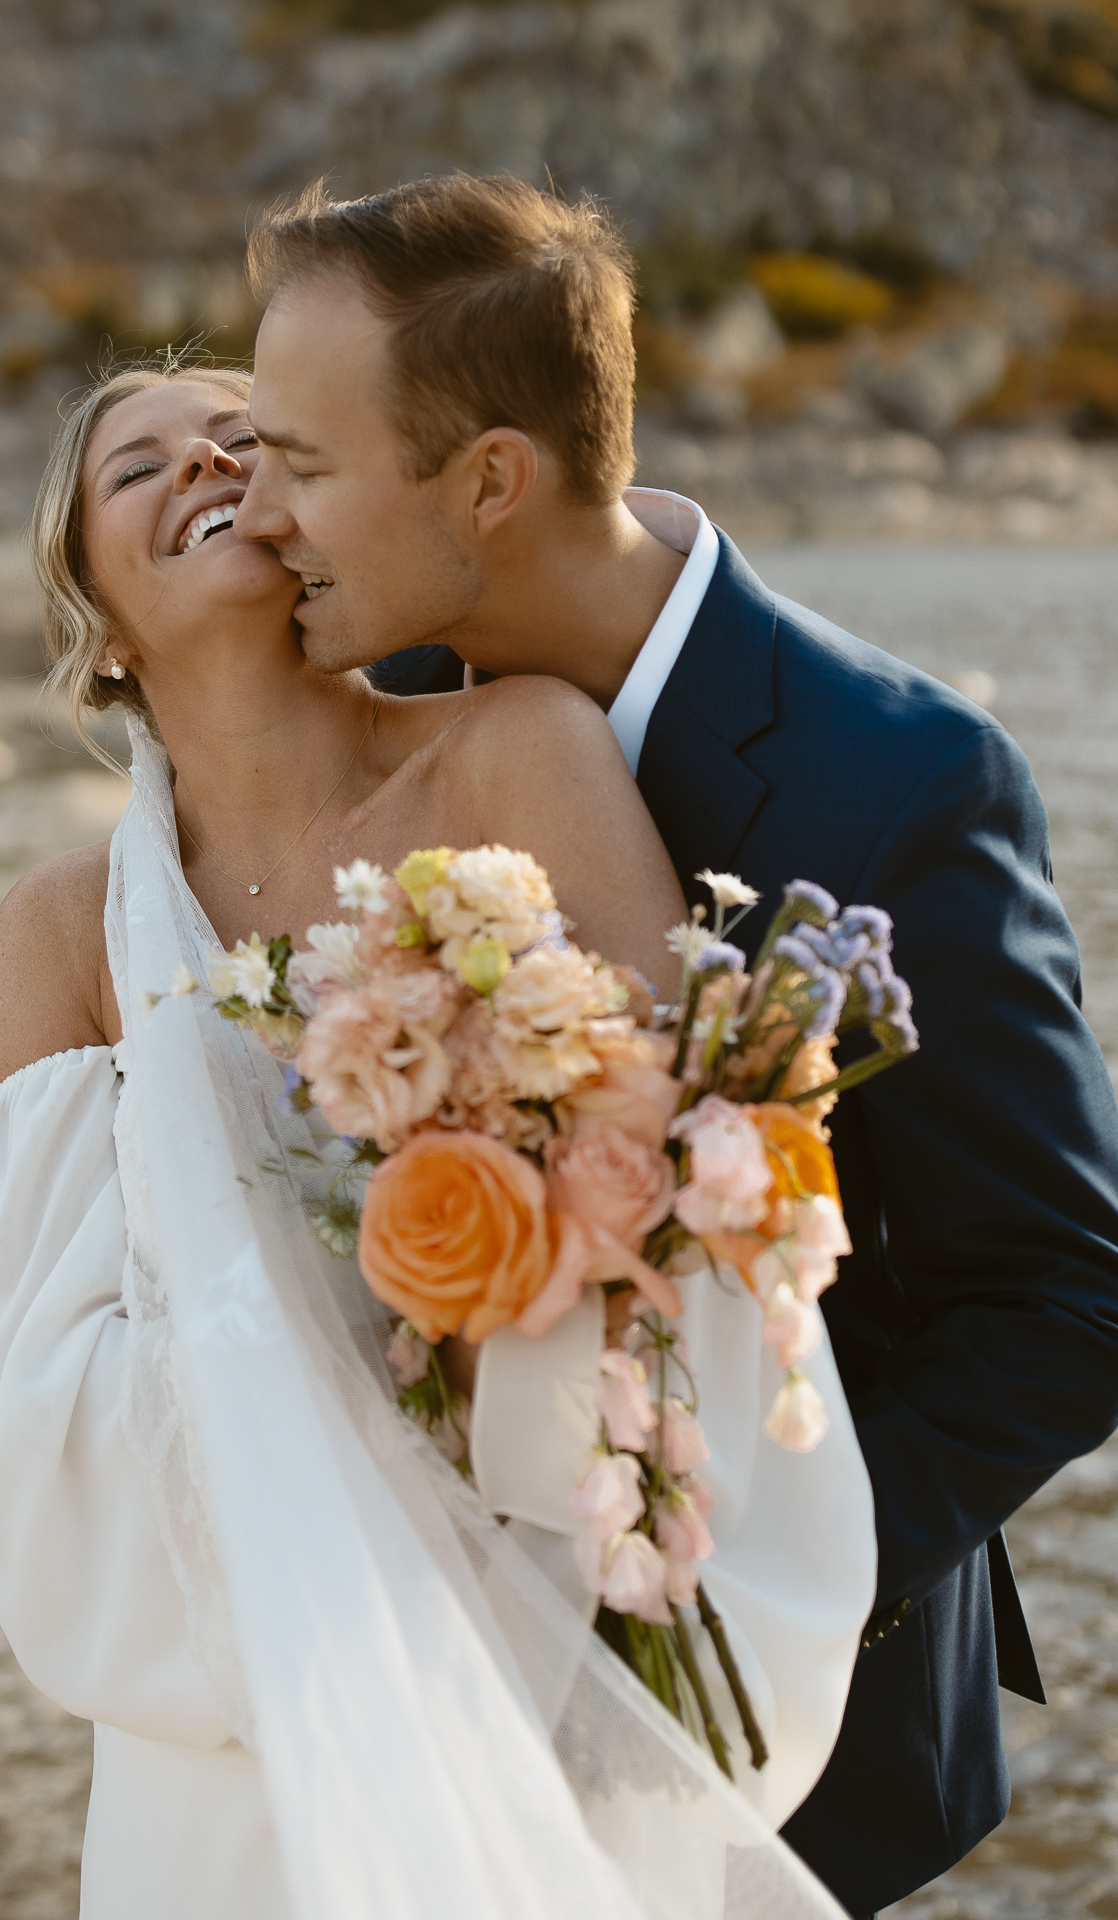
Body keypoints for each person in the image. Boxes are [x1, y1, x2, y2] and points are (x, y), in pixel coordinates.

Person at [230, 174, 1118, 1919]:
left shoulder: (900, 786)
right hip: (446, 1714)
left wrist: (750, 1580)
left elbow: (1072, 1298)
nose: (263, 517)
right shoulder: (366, 705)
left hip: (789, 1735)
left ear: (490, 478)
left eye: (304, 464)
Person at [0, 361, 873, 1920]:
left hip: (543, 1612)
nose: (208, 461)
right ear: (96, 624)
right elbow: (29, 1402)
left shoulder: (520, 752)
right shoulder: (59, 933)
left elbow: (675, 1189)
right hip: (227, 1718)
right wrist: (334, 1457)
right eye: (137, 465)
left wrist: (481, 1346)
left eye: (249, 435)